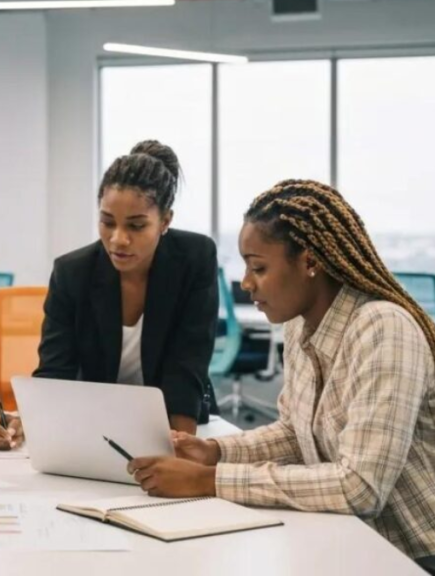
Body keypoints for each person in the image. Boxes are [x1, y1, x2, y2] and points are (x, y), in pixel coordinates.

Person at [125, 179, 435, 560]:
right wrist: (213, 452)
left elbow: (360, 486)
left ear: (310, 262)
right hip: (345, 541)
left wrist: (210, 480)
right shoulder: (300, 323)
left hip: (412, 556)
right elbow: (295, 434)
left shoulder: (384, 329)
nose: (246, 282)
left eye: (259, 267)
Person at [0, 140, 219, 450]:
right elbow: (56, 369)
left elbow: (188, 363)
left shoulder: (194, 258)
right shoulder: (73, 272)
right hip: (96, 426)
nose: (118, 239)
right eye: (107, 222)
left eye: (136, 226)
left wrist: (181, 448)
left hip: (175, 419)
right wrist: (22, 421)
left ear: (165, 221)